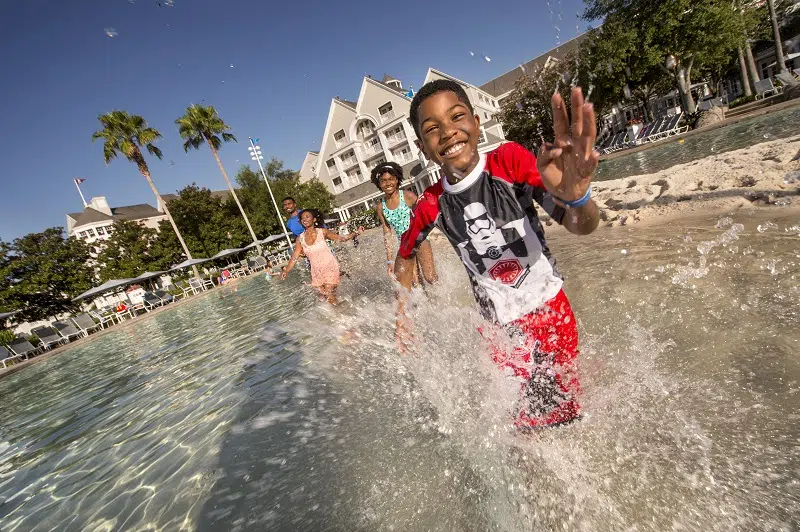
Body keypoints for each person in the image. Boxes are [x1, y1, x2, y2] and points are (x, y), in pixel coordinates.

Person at [394, 79, 601, 430]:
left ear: (476, 122)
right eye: (432, 129)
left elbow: (581, 225)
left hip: (551, 308)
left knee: (566, 409)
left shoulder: (509, 161)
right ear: (422, 147)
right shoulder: (432, 203)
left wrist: (577, 197)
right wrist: (403, 312)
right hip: (498, 329)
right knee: (520, 426)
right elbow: (405, 255)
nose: (447, 133)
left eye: (457, 117)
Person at [371, 162, 437, 284]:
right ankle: (427, 302)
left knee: (430, 278)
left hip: (420, 240)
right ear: (378, 183)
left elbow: (426, 216)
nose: (388, 183)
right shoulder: (381, 207)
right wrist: (389, 260)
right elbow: (387, 233)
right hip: (405, 245)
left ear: (397, 179)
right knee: (415, 283)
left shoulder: (408, 196)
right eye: (383, 180)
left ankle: (441, 299)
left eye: (391, 179)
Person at [281, 209, 363, 304]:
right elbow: (294, 256)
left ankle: (342, 314)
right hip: (316, 272)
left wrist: (356, 233)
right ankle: (345, 310)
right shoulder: (300, 239)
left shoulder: (322, 232)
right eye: (302, 218)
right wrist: (286, 270)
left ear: (314, 219)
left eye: (307, 217)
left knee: (329, 293)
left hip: (330, 267)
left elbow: (342, 238)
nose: (304, 219)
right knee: (326, 298)